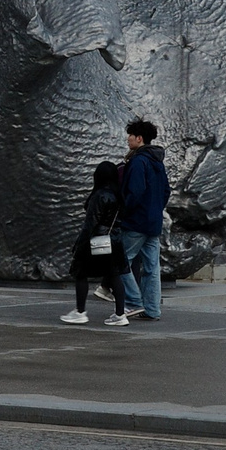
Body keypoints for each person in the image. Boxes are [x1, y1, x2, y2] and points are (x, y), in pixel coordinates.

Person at [59, 161, 129, 326]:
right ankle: (120, 314)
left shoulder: (99, 195)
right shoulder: (119, 195)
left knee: (81, 273)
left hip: (97, 240)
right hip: (115, 240)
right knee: (114, 276)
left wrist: (80, 244)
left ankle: (80, 311)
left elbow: (91, 223)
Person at [115, 119, 170, 322]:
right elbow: (166, 191)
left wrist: (124, 210)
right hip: (153, 221)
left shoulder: (138, 161)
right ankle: (152, 309)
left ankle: (134, 302)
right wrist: (155, 209)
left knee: (119, 262)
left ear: (139, 138)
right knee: (151, 267)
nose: (128, 139)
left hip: (136, 221)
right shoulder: (157, 161)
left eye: (130, 135)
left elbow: (135, 191)